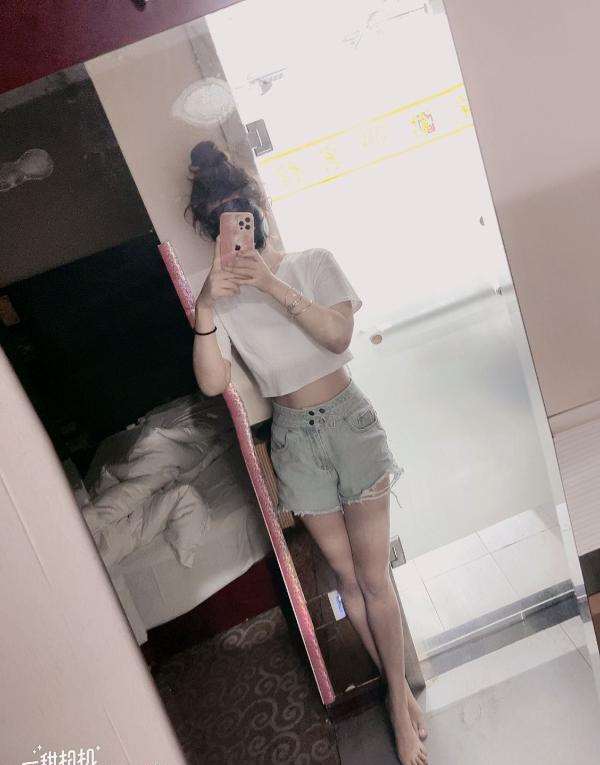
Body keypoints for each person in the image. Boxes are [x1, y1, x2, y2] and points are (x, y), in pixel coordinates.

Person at [187, 140, 428, 765]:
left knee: (373, 577)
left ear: (257, 209)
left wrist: (270, 284)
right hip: (293, 439)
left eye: (238, 209)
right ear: (210, 230)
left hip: (349, 422)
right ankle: (400, 695)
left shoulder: (313, 263)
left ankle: (397, 706)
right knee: (347, 579)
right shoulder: (218, 299)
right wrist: (206, 305)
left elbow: (338, 335)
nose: (233, 223)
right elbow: (213, 383)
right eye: (218, 217)